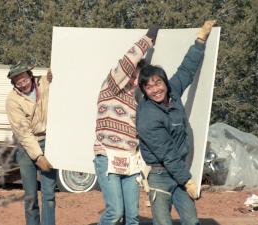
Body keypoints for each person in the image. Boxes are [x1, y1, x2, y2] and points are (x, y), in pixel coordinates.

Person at [136, 20, 216, 225]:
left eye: (158, 83)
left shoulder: (173, 92)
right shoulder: (146, 116)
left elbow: (186, 70)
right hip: (161, 175)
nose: (155, 90)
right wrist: (187, 180)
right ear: (144, 91)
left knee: (191, 221)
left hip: (179, 170)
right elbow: (168, 153)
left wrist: (200, 40)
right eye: (149, 87)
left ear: (164, 82)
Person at [93, 27, 158, 225]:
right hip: (108, 155)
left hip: (130, 160)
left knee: (133, 217)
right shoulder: (111, 87)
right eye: (137, 74)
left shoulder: (138, 101)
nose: (138, 80)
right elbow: (127, 61)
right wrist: (147, 40)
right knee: (114, 213)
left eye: (141, 78)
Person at [5, 61, 56, 225]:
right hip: (27, 148)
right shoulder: (12, 101)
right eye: (18, 82)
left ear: (30, 76)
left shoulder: (45, 82)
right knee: (30, 197)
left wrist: (55, 75)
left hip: (49, 142)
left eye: (24, 79)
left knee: (49, 195)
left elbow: (62, 80)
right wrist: (38, 156)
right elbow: (23, 133)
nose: (23, 84)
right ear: (14, 84)